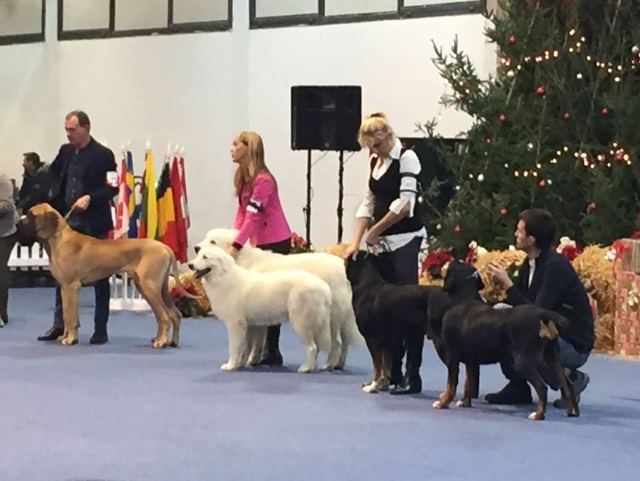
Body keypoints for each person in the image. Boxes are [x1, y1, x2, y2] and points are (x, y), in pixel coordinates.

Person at [342, 112, 427, 395]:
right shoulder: (375, 161)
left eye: (376, 145)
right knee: (384, 314)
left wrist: (375, 230)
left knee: (408, 310)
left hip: (404, 241)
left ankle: (412, 376)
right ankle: (390, 372)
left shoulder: (407, 157)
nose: (373, 151)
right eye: (369, 147)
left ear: (387, 137)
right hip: (381, 247)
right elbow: (369, 201)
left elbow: (405, 204)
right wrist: (356, 240)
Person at [486, 208, 594, 408]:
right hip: (548, 329)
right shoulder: (529, 264)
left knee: (520, 329)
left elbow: (535, 313)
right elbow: (515, 304)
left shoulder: (555, 267)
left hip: (571, 341)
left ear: (531, 239)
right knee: (500, 317)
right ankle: (518, 385)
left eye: (519, 231)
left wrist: (508, 285)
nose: (515, 234)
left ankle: (571, 379)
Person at [37, 110, 118, 345]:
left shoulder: (104, 155)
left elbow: (113, 188)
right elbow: (53, 176)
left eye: (72, 129)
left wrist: (91, 198)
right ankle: (61, 324)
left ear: (86, 128)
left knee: (101, 277)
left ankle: (100, 328)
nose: (68, 134)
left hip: (94, 223)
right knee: (62, 274)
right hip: (67, 222)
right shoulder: (65, 151)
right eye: (66, 130)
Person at [226, 131, 292, 366]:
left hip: (275, 241)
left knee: (272, 295)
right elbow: (242, 212)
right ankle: (257, 348)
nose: (231, 148)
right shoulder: (242, 178)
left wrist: (236, 245)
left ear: (248, 148)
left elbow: (254, 217)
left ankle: (271, 350)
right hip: (256, 242)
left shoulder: (264, 180)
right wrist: (234, 236)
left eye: (235, 144)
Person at [0, 174, 19, 327]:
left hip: (4, 233)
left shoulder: (3, 181)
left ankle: (1, 313)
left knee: (0, 272)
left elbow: (6, 206)